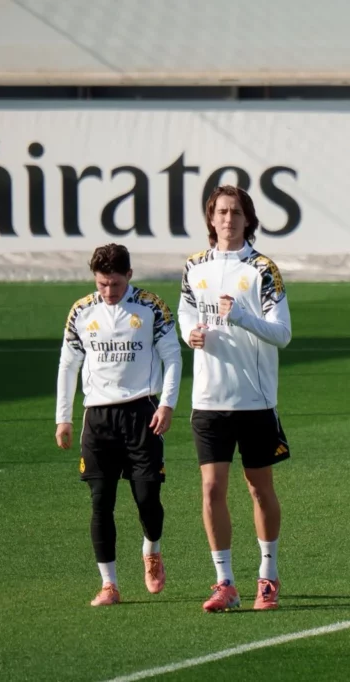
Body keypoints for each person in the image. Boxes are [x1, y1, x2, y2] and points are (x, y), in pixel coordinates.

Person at [178, 185, 293, 612]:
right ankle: (224, 581)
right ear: (211, 218)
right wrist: (189, 333)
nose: (228, 219)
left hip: (255, 400)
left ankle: (268, 575)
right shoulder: (194, 266)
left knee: (259, 489)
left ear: (248, 219)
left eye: (236, 212)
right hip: (208, 399)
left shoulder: (262, 269)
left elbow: (282, 333)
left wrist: (242, 316)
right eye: (222, 212)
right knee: (211, 490)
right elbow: (188, 311)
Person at [55, 243, 181, 606]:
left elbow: (172, 356)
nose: (108, 292)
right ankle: (109, 584)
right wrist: (63, 417)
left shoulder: (151, 307)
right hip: (98, 419)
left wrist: (168, 403)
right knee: (101, 502)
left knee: (147, 498)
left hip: (143, 414)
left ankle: (152, 550)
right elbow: (68, 364)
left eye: (114, 284)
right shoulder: (81, 311)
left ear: (129, 275)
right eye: (101, 284)